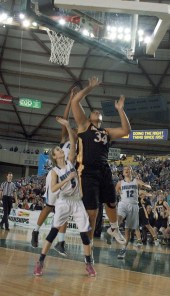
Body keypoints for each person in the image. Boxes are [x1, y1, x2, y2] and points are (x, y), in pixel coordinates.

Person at [71, 76, 131, 247]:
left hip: (104, 169)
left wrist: (120, 109)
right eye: (95, 111)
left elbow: (126, 130)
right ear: (89, 117)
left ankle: (114, 228)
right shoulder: (84, 125)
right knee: (93, 213)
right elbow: (75, 102)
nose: (98, 112)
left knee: (112, 202)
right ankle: (87, 250)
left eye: (99, 112)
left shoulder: (107, 131)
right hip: (87, 171)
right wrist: (89, 87)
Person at [34, 117, 96, 277]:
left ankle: (88, 263)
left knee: (84, 233)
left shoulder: (69, 162)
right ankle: (40, 261)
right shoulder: (55, 172)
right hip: (63, 202)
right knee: (53, 232)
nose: (62, 151)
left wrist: (68, 126)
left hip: (76, 202)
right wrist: (67, 180)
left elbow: (74, 145)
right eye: (58, 151)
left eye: (61, 150)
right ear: (55, 157)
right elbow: (54, 188)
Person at [31, 88, 78, 256]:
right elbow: (65, 119)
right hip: (56, 173)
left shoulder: (77, 144)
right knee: (49, 205)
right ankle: (36, 230)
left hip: (68, 174)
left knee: (64, 208)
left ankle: (61, 242)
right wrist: (70, 99)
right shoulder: (65, 139)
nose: (76, 129)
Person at [116, 165, 151, 259]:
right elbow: (116, 191)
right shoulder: (120, 183)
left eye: (128, 169)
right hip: (123, 204)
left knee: (128, 230)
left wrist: (145, 186)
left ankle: (124, 248)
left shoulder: (137, 181)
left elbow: (149, 186)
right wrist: (119, 193)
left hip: (134, 206)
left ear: (131, 172)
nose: (126, 170)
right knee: (119, 217)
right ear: (123, 173)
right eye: (125, 169)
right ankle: (114, 230)